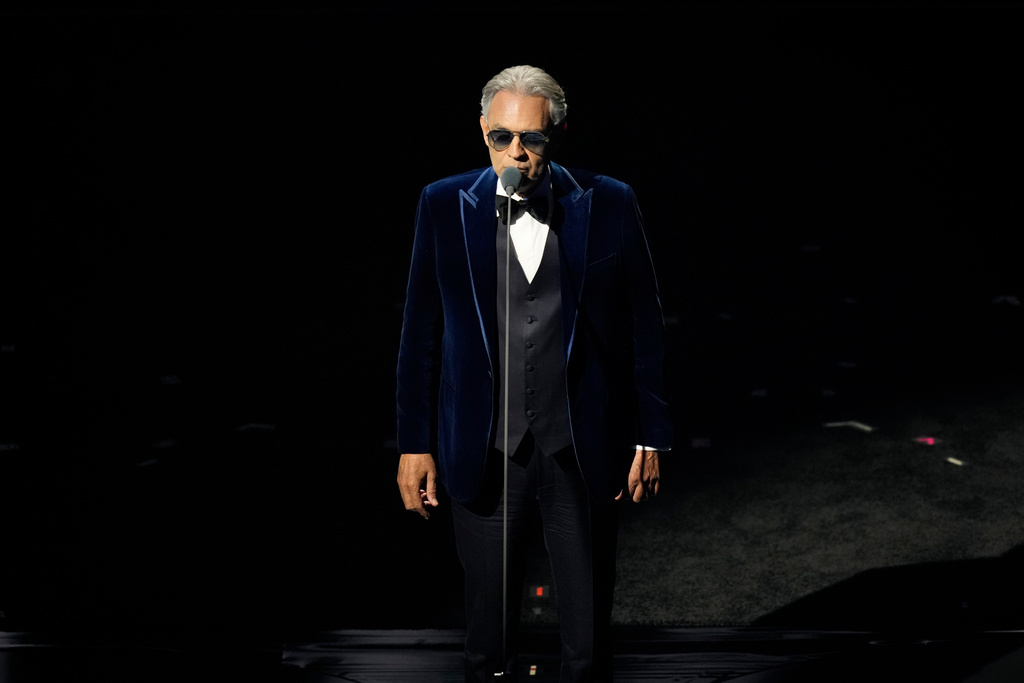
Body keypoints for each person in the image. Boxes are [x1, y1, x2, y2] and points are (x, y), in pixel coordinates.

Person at [396, 64, 672, 682]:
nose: (516, 152)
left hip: (580, 446)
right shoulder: (443, 203)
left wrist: (651, 435)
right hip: (485, 445)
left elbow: (645, 328)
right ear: (483, 134)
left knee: (588, 642)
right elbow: (420, 333)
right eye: (502, 138)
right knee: (487, 642)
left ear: (559, 132)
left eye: (533, 139)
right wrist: (414, 444)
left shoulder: (609, 201)